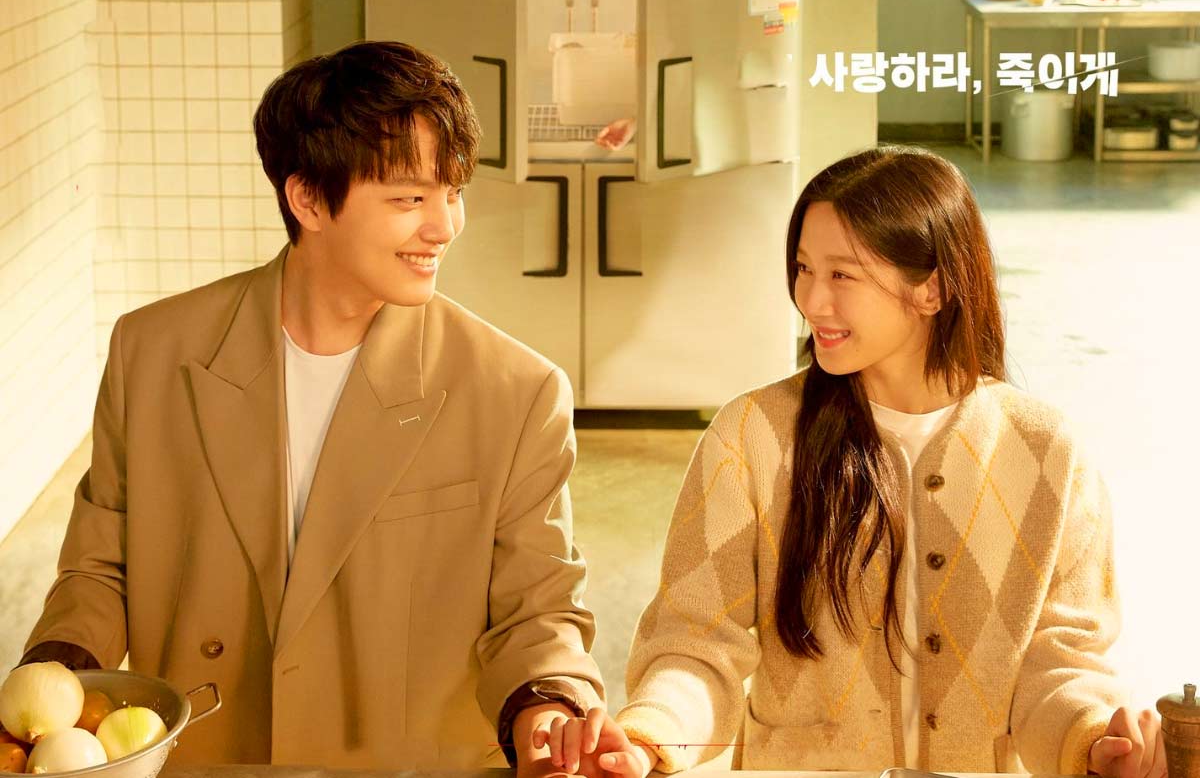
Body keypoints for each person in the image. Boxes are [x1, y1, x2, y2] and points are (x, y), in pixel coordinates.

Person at [19, 41, 604, 771]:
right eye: (409, 199)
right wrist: (54, 685)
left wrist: (548, 708)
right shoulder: (154, 353)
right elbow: (99, 567)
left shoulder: (516, 391)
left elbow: (538, 609)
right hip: (208, 756)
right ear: (308, 200)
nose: (445, 225)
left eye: (452, 192)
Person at [535, 146, 1165, 778]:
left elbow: (1061, 660)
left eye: (843, 275)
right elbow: (696, 644)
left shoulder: (1046, 451)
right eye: (804, 268)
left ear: (932, 287)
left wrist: (1094, 740)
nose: (811, 299)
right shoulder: (750, 436)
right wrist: (648, 736)